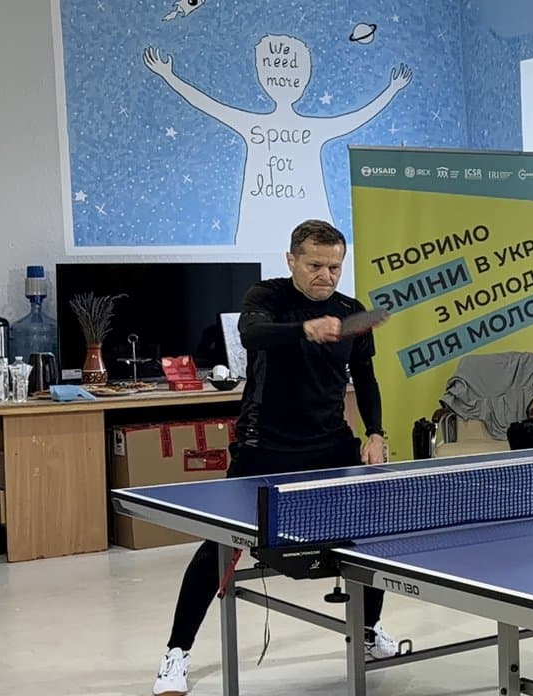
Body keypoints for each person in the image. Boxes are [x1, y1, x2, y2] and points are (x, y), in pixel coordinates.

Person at [152, 220, 402, 696]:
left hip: (329, 445)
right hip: (262, 446)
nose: (326, 275)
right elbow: (253, 335)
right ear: (292, 260)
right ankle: (176, 652)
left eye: (334, 267)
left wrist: (374, 432)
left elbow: (365, 377)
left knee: (367, 536)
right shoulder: (266, 297)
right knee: (220, 546)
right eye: (315, 265)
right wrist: (306, 329)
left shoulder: (350, 312)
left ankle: (368, 631)